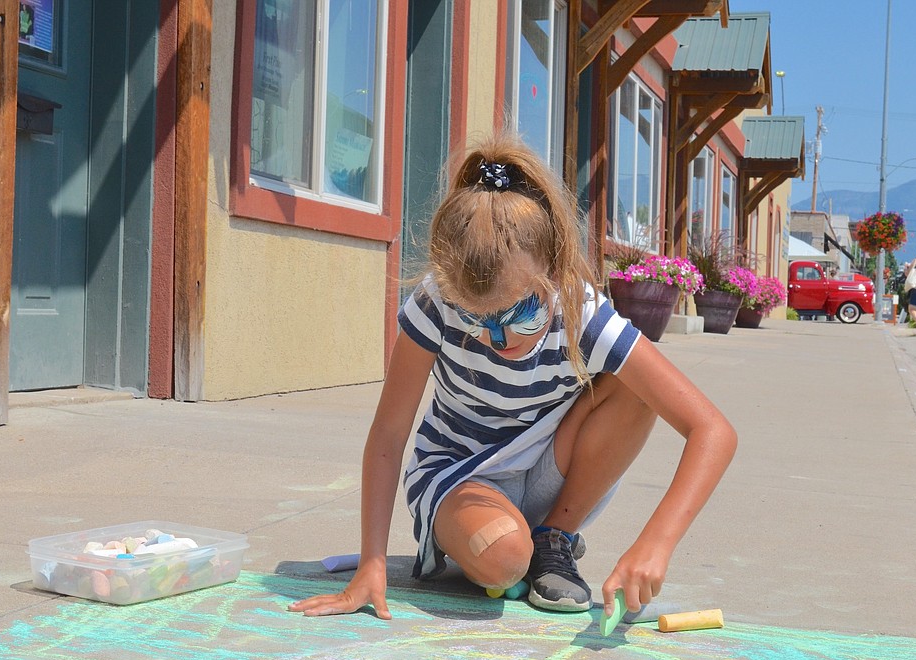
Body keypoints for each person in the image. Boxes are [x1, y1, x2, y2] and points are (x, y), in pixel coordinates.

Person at [289, 134, 737, 621]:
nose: (499, 342)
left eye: (521, 316)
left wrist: (655, 542)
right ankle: (501, 545)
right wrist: (371, 563)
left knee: (636, 385)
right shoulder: (436, 299)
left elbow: (712, 430)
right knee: (503, 558)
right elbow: (389, 434)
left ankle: (555, 538)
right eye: (478, 321)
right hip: (460, 471)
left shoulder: (580, 310)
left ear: (555, 271)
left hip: (549, 463)